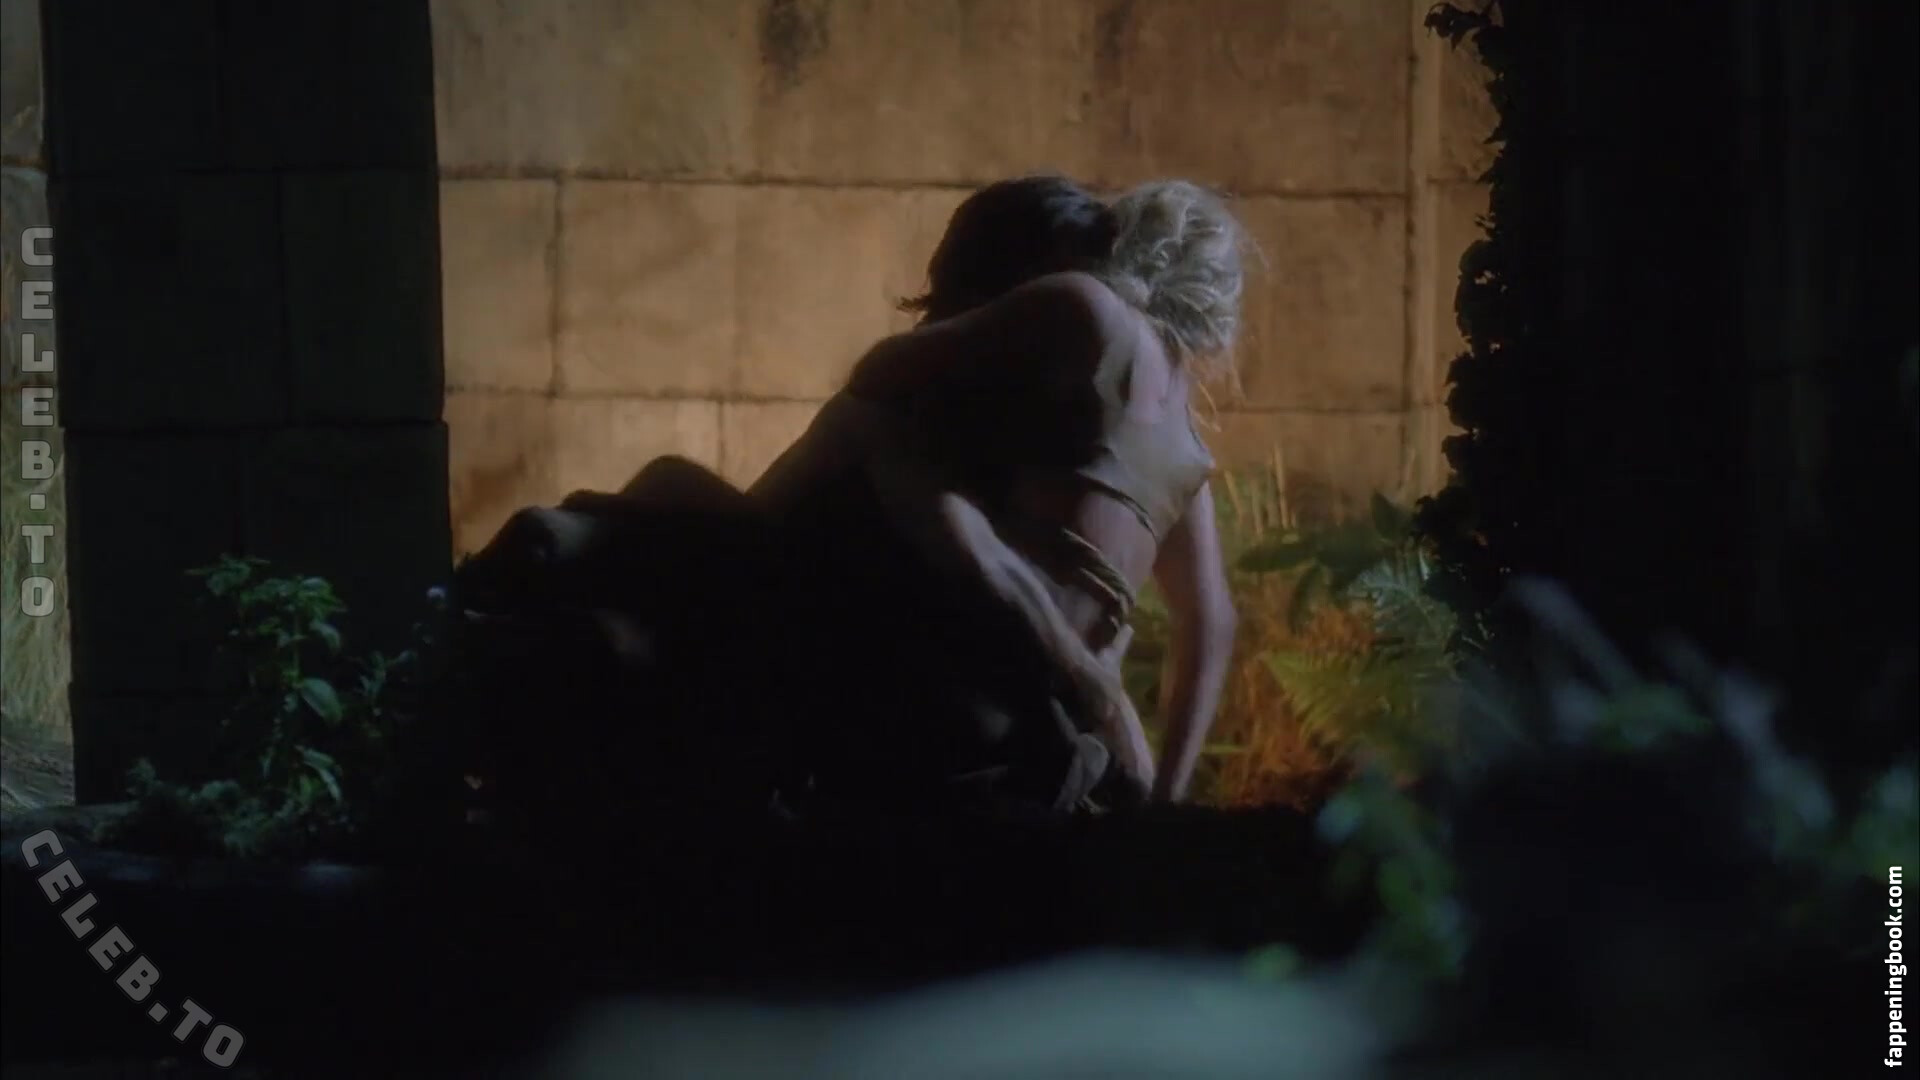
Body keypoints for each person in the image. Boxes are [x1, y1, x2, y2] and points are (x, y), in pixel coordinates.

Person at [755, 177, 1242, 804]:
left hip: (982, 697)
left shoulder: (1085, 308)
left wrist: (1094, 690)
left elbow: (876, 375)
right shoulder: (1186, 436)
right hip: (1041, 708)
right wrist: (1162, 790)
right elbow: (1212, 622)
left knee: (858, 423)